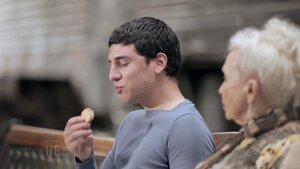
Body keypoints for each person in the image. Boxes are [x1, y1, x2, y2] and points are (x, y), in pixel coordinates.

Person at [64, 16, 215, 169]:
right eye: (112, 65)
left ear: (159, 63)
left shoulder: (186, 126)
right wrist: (84, 158)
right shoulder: (130, 121)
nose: (112, 75)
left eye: (123, 64)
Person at [196, 17, 300, 169]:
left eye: (226, 78)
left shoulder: (290, 150)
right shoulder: (251, 138)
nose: (221, 89)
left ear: (251, 89)